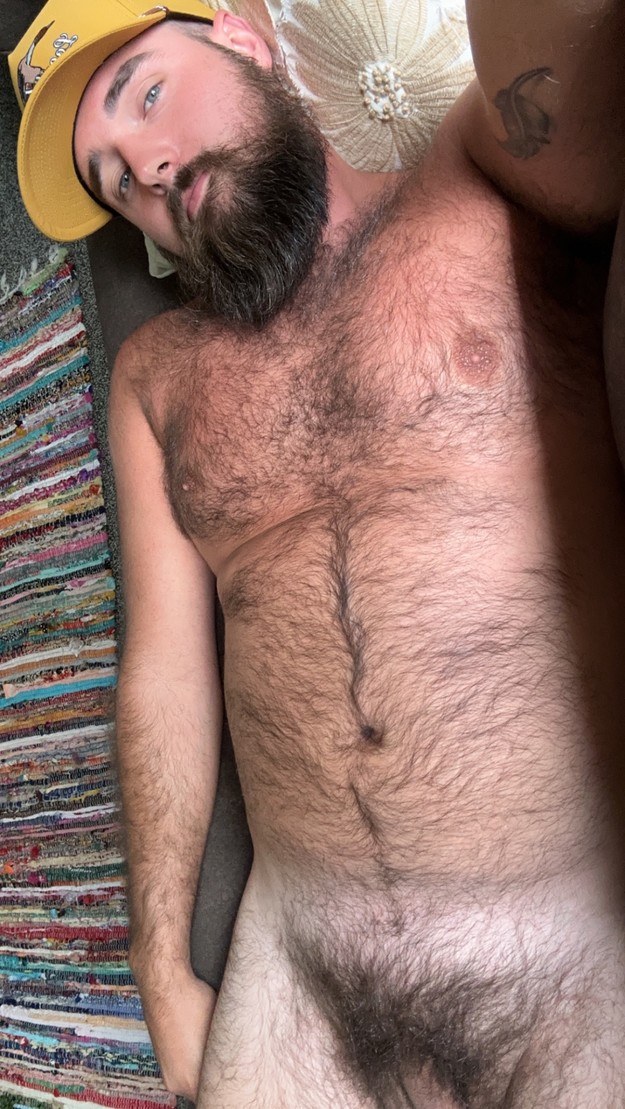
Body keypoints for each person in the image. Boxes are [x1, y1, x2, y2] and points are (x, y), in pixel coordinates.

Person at [11, 0, 625, 1103]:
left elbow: (570, 42)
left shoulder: (481, 182)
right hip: (297, 986)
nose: (147, 167)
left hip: (584, 950)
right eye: (112, 180)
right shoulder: (155, 379)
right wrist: (160, 965)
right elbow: (162, 674)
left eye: (146, 93)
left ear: (244, 38)